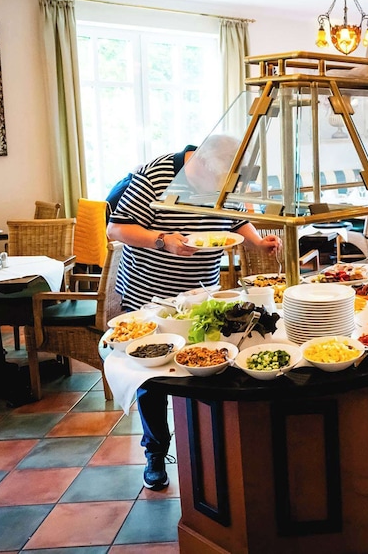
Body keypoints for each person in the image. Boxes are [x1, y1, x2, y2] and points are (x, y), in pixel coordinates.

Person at [107, 135, 281, 490]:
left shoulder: (223, 177)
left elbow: (234, 219)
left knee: (206, 364)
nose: (219, 193)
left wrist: (257, 241)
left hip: (203, 293)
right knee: (153, 378)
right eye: (217, 185)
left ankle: (207, 451)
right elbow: (116, 228)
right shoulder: (155, 176)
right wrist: (162, 240)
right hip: (150, 294)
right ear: (199, 162)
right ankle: (156, 453)